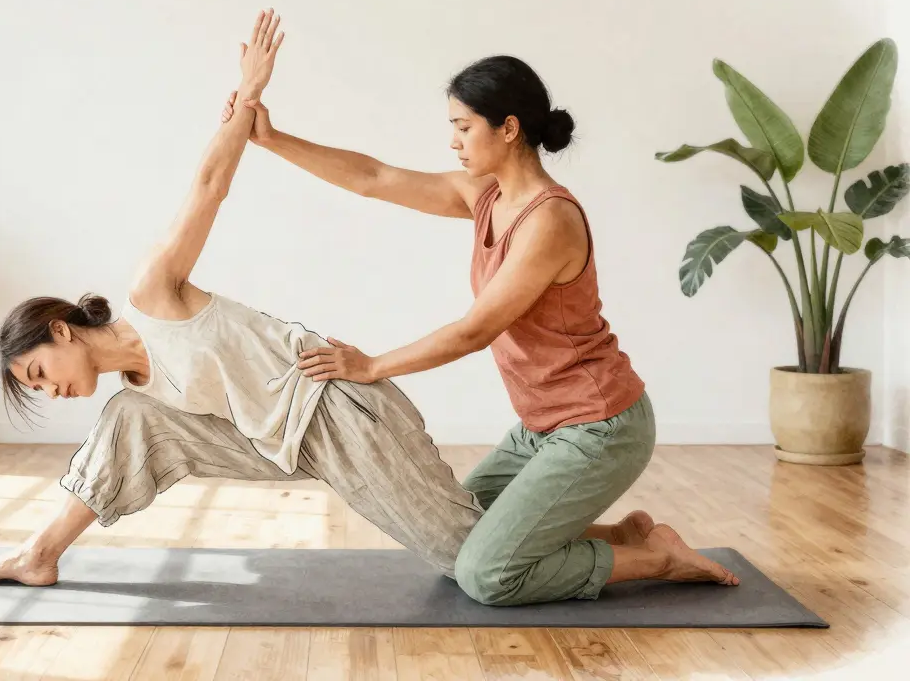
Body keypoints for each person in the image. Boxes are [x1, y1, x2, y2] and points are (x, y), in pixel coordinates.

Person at [0, 9, 487, 587]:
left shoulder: (152, 295)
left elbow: (209, 188)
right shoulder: (139, 395)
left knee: (464, 556)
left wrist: (249, 94)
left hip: (333, 410)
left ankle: (594, 550)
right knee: (130, 415)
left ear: (60, 330)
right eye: (39, 389)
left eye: (38, 373)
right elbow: (145, 424)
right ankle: (40, 552)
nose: (51, 391)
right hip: (277, 443)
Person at [219, 53, 740, 605]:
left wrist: (371, 366)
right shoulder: (486, 196)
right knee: (452, 538)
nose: (454, 142)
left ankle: (659, 559)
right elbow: (373, 178)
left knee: (487, 575)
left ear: (508, 128)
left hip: (600, 425)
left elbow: (475, 331)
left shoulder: (550, 221)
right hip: (541, 426)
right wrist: (272, 139)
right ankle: (625, 536)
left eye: (463, 127)